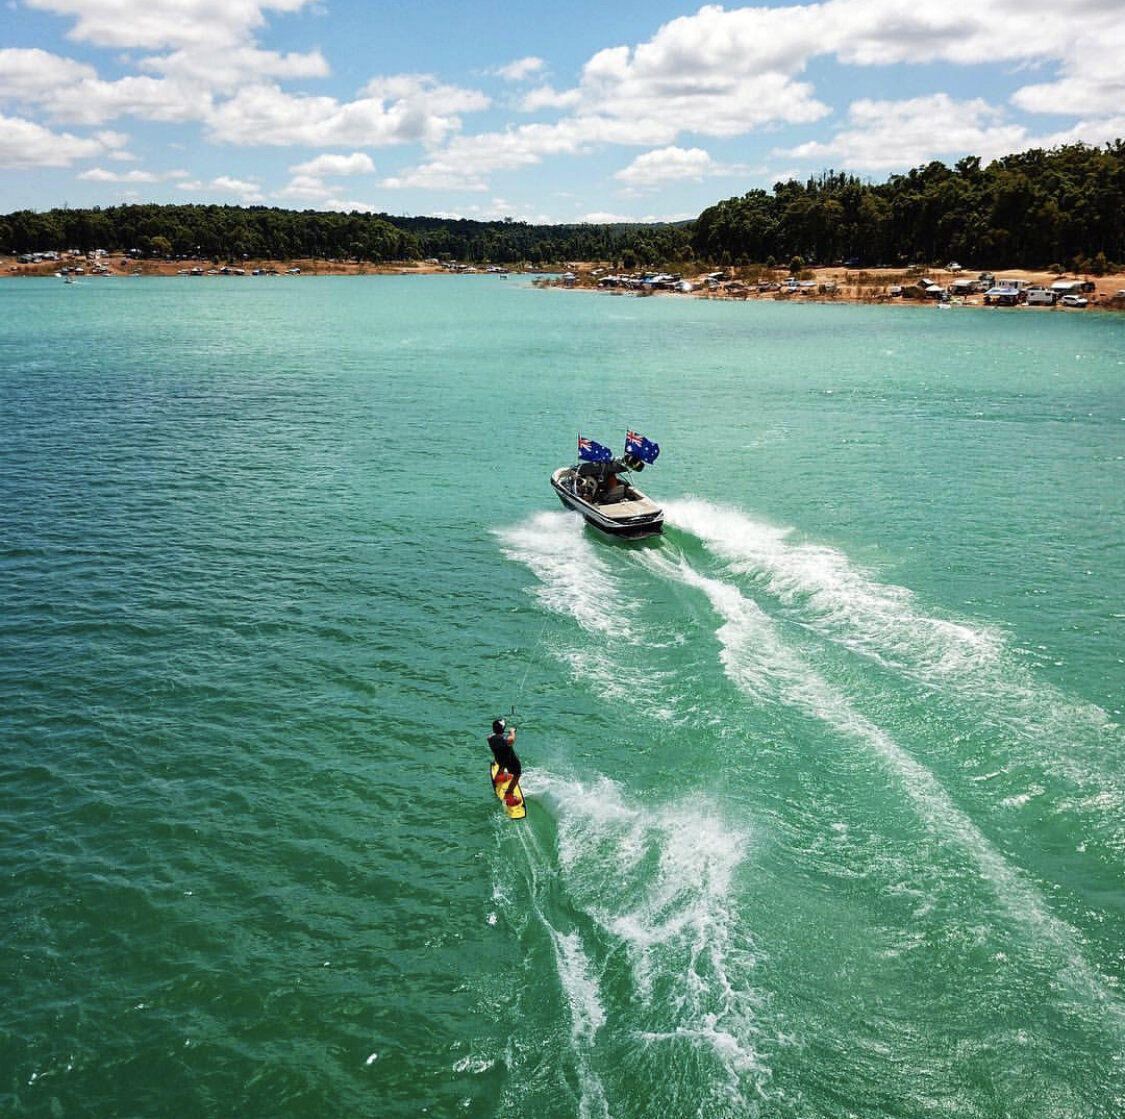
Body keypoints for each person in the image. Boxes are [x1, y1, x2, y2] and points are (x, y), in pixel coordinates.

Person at [487, 717, 522, 806]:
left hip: (499, 759)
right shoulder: (507, 741)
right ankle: (509, 796)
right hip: (510, 761)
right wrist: (512, 731)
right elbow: (512, 739)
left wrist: (504, 733)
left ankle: (499, 776)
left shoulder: (490, 738)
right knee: (517, 774)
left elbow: (498, 737)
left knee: (502, 765)